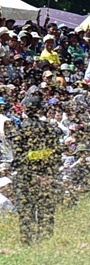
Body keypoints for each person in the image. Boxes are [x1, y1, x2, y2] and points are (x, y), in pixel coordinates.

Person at [10, 94, 63, 244]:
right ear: (40, 110)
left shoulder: (20, 130)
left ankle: (28, 245)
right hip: (47, 177)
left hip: (26, 179)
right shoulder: (49, 129)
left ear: (25, 109)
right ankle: (45, 244)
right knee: (46, 212)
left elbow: (19, 159)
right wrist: (48, 176)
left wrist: (33, 176)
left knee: (26, 213)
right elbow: (57, 154)